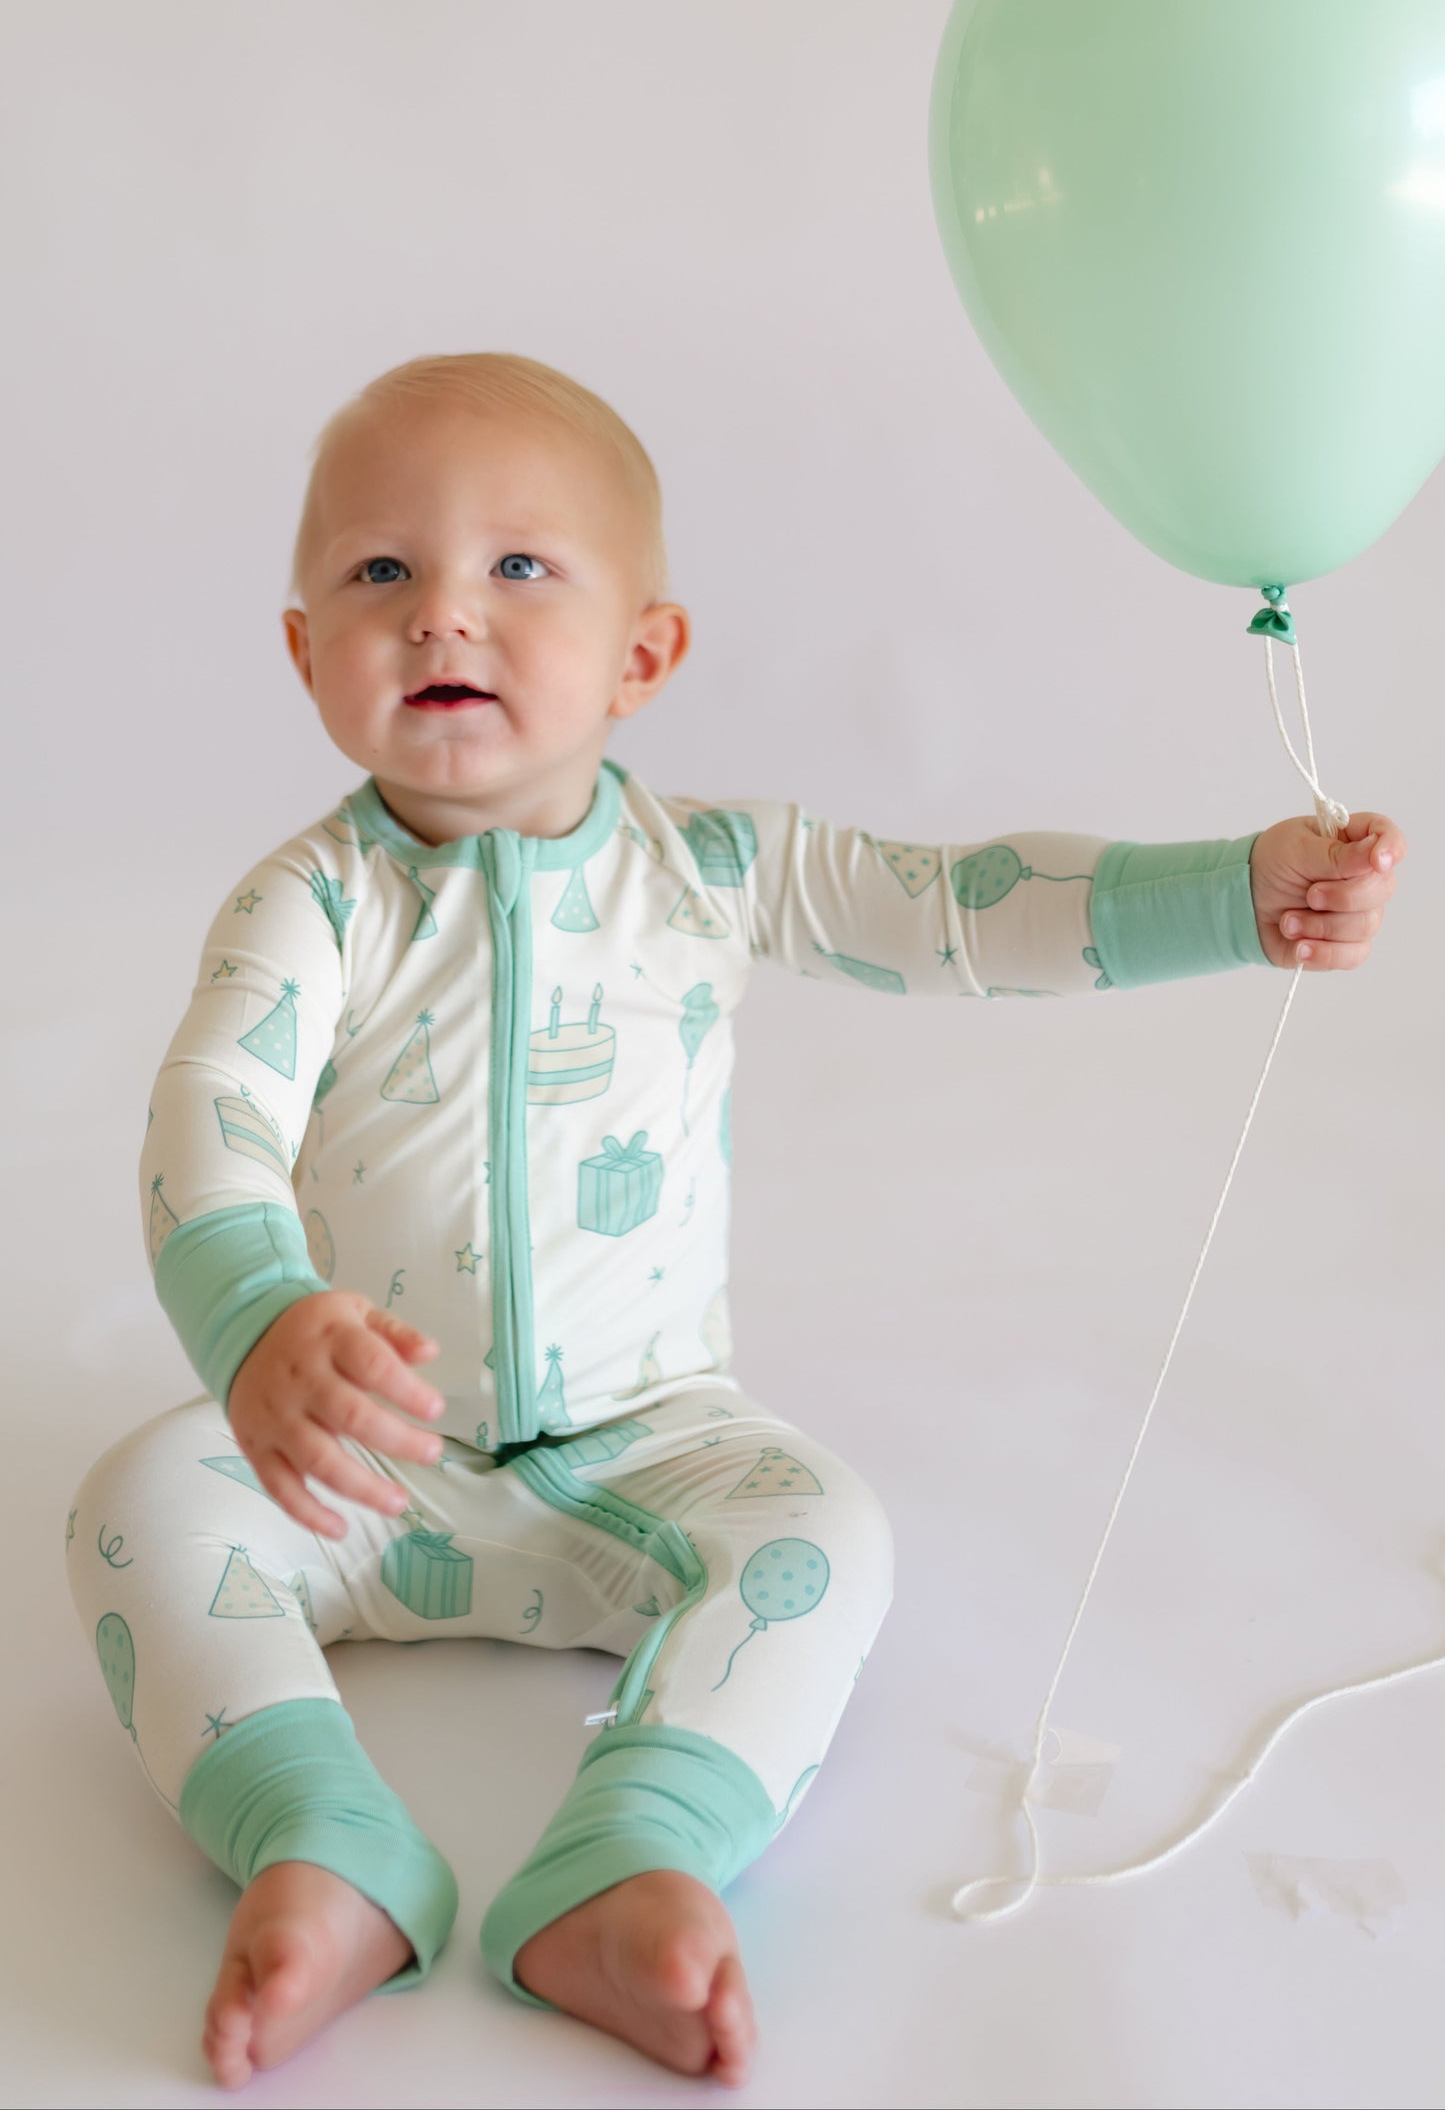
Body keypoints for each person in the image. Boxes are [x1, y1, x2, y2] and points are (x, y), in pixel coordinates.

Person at [66, 351, 1407, 2091]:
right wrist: (259, 1323)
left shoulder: (712, 868)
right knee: (135, 1512)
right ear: (303, 647)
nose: (440, 617)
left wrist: (1234, 891)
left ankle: (627, 1862)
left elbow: (960, 911)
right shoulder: (313, 900)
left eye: (517, 569)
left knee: (827, 1533)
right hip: (355, 1466)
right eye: (379, 573)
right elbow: (209, 1113)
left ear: (644, 655)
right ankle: (320, 1845)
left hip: (648, 1447)